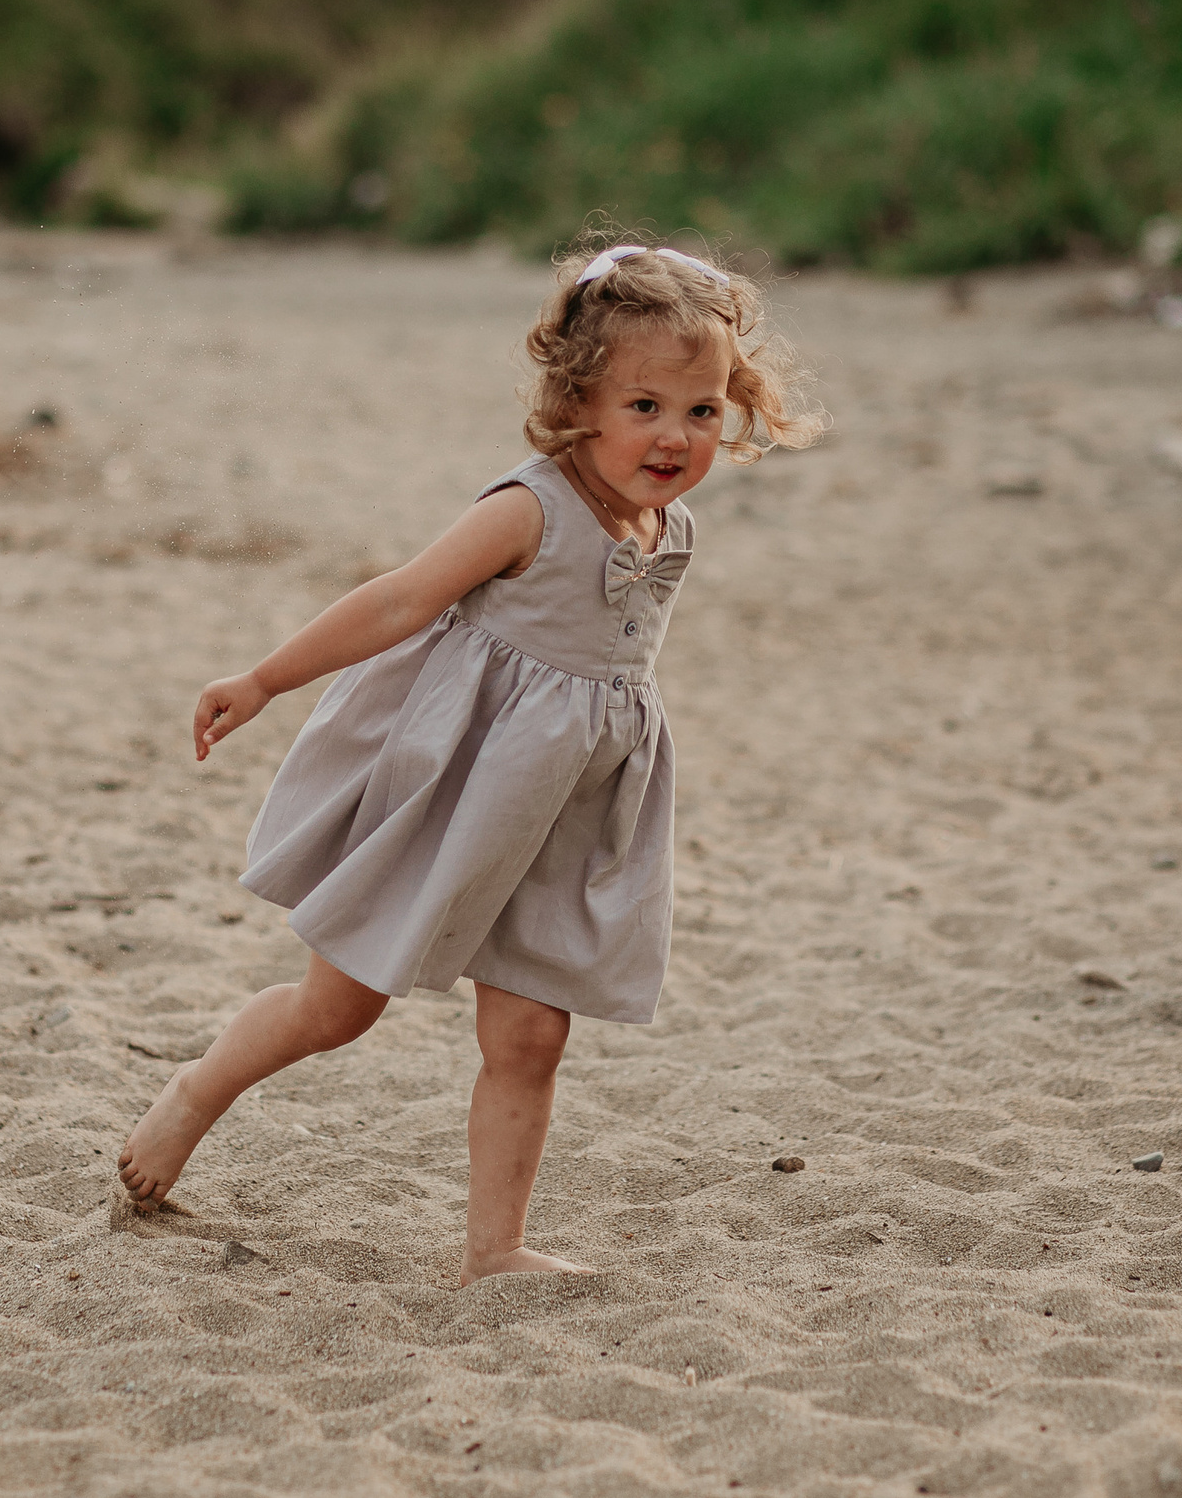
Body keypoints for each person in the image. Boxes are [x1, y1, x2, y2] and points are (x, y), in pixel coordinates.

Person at [118, 235, 822, 1284]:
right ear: (579, 397)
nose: (674, 436)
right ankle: (193, 1094)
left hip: (571, 803)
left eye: (703, 410)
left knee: (533, 1034)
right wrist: (265, 678)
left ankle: (494, 1252)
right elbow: (401, 598)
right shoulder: (527, 509)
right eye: (644, 407)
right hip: (457, 786)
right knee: (338, 1008)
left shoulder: (668, 528)